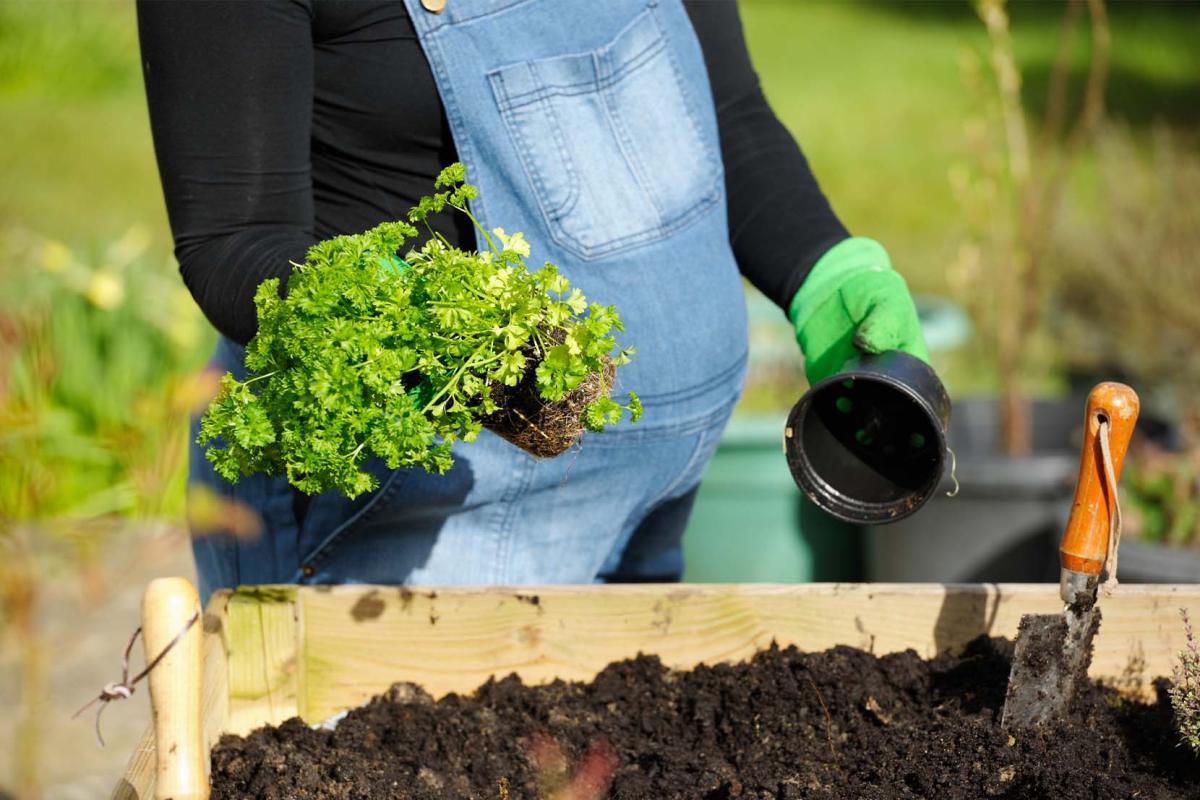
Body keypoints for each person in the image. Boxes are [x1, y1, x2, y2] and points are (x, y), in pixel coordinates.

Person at [137, 0, 928, 602]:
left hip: (649, 511)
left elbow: (726, 113)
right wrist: (422, 335)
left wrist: (825, 274)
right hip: (418, 528)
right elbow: (235, 243)